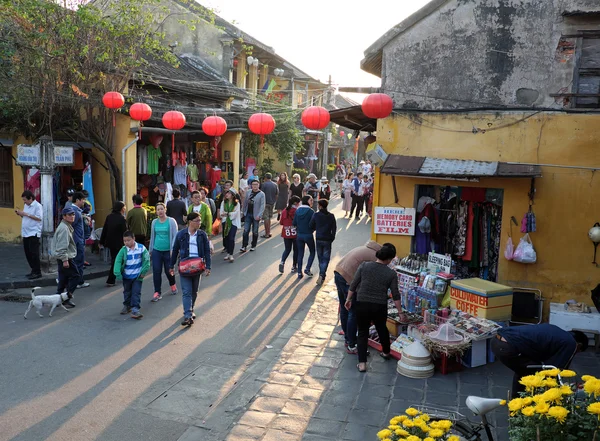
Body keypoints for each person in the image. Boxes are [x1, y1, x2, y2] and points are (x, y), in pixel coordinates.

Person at [345, 243, 402, 372]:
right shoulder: (391, 273)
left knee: (363, 332)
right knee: (382, 328)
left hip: (362, 303)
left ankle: (362, 364)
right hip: (379, 306)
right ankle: (386, 352)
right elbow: (395, 294)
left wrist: (348, 299)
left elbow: (353, 284)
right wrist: (400, 312)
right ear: (389, 259)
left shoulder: (364, 266)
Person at [491, 324, 589, 398]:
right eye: (577, 352)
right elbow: (554, 369)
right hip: (507, 347)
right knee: (533, 372)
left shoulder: (559, 334)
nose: (574, 354)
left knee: (526, 370)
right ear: (579, 345)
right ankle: (526, 403)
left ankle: (517, 402)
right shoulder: (571, 343)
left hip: (497, 341)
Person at [334, 240, 382, 354]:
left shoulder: (364, 249)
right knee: (353, 311)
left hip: (338, 273)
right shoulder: (375, 256)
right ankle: (352, 344)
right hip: (348, 279)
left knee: (344, 308)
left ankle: (348, 338)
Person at [170, 212, 212, 327]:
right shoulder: (181, 234)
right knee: (186, 291)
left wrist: (208, 266)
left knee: (194, 291)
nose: (199, 223)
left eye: (200, 220)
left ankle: (191, 309)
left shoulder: (202, 235)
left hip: (198, 266)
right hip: (185, 266)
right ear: (190, 222)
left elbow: (207, 251)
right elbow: (175, 250)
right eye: (197, 221)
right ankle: (187, 315)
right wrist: (171, 265)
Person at [113, 231, 150, 320]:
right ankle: (127, 305)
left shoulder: (141, 248)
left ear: (134, 239)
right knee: (127, 292)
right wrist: (117, 273)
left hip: (137, 276)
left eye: (128, 240)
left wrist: (143, 273)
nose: (126, 242)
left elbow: (147, 260)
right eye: (124, 241)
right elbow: (117, 261)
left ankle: (135, 309)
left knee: (136, 292)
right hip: (127, 276)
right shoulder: (123, 250)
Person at [149, 202, 178, 302]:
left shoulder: (171, 221)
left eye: (162, 209)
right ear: (156, 212)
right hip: (157, 250)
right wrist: (151, 249)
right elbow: (152, 236)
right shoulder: (154, 222)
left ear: (165, 210)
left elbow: (175, 236)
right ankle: (157, 292)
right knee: (156, 271)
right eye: (158, 209)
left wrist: (173, 250)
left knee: (168, 271)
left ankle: (172, 284)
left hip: (168, 251)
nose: (160, 211)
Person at [53, 206, 78, 308]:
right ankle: (66, 297)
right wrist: (65, 260)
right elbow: (62, 245)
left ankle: (58, 297)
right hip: (65, 257)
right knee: (75, 276)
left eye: (73, 214)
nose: (72, 216)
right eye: (69, 215)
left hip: (63, 257)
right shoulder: (64, 228)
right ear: (64, 216)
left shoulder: (66, 226)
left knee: (63, 278)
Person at [99, 201, 128, 287]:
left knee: (116, 259)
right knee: (117, 260)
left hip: (110, 242)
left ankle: (122, 275)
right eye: (124, 207)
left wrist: (101, 241)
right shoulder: (122, 219)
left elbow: (105, 229)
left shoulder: (109, 217)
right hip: (119, 243)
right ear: (122, 208)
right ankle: (111, 280)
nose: (125, 208)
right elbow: (125, 232)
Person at [16, 190, 43, 279]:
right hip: (26, 232)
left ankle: (37, 271)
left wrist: (25, 214)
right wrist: (20, 214)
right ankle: (33, 270)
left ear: (30, 198)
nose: (24, 202)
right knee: (28, 253)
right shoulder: (26, 206)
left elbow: (39, 218)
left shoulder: (38, 206)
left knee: (34, 253)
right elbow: (26, 216)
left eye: (25, 200)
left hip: (33, 232)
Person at [310, 199, 336, 286]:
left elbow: (311, 225)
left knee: (320, 258)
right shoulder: (331, 216)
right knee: (326, 259)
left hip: (319, 238)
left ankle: (322, 274)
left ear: (320, 206)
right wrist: (332, 237)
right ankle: (322, 274)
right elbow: (334, 228)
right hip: (327, 239)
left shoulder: (316, 215)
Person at [293, 196, 316, 279]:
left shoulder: (297, 210)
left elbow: (294, 222)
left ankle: (299, 272)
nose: (312, 202)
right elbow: (314, 223)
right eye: (311, 200)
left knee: (300, 253)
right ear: (307, 201)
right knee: (312, 252)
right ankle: (307, 268)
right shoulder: (311, 211)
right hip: (308, 235)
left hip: (299, 235)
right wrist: (312, 229)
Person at [240, 179, 265, 253]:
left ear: (259, 185)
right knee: (245, 231)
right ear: (251, 185)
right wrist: (243, 211)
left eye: (256, 184)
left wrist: (260, 215)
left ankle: (253, 245)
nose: (255, 186)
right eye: (253, 184)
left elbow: (262, 205)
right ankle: (244, 246)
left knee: (255, 231)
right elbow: (245, 203)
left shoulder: (261, 194)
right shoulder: (248, 192)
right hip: (248, 214)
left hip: (256, 215)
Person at [71, 192, 89, 289]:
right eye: (82, 200)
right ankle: (79, 281)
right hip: (77, 240)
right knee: (79, 262)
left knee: (77, 262)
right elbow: (71, 226)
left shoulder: (76, 211)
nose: (84, 202)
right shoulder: (75, 212)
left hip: (77, 240)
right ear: (77, 200)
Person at [279, 195, 300, 274]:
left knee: (287, 249)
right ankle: (294, 266)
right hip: (295, 233)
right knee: (296, 250)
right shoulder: (297, 211)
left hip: (286, 232)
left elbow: (281, 222)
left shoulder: (284, 210)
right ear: (296, 203)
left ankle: (282, 262)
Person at [220, 188, 241, 261]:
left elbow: (236, 214)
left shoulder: (236, 203)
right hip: (225, 222)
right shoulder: (223, 202)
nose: (227, 194)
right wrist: (226, 214)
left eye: (229, 193)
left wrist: (228, 213)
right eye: (226, 193)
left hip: (233, 223)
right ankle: (228, 253)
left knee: (231, 238)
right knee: (226, 238)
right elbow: (222, 213)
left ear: (232, 195)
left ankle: (231, 254)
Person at [260, 173, 278, 238]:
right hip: (272, 203)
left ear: (265, 177)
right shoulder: (275, 184)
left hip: (265, 203)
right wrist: (274, 201)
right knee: (269, 217)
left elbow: (261, 194)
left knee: (266, 218)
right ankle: (269, 232)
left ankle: (267, 233)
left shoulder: (264, 184)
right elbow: (276, 194)